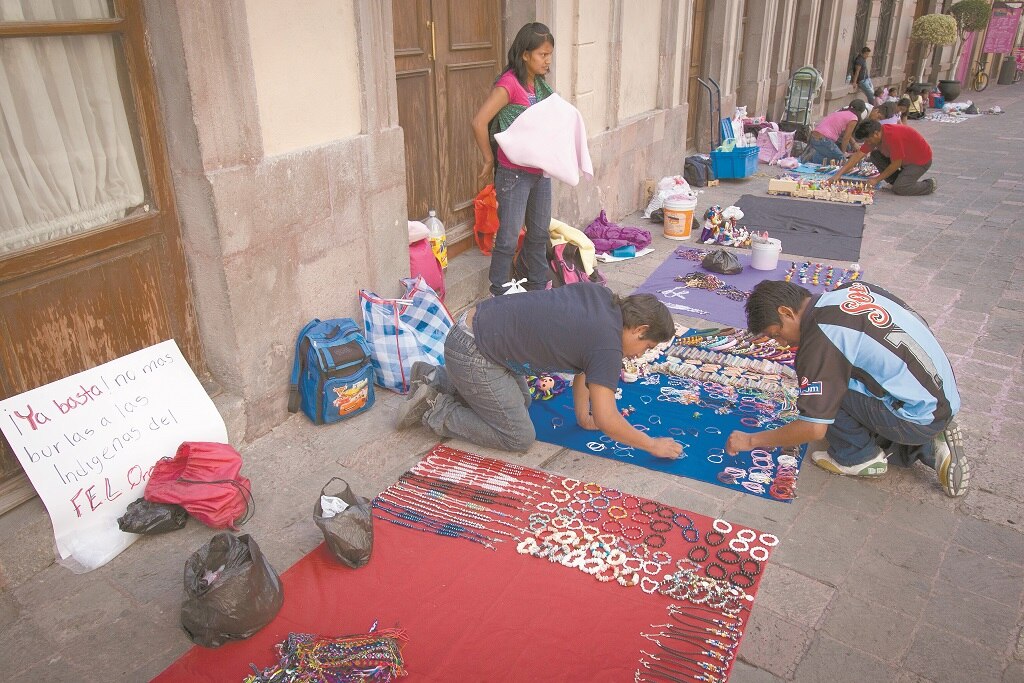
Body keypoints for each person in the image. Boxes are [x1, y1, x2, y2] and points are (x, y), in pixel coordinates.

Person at [724, 280, 969, 498]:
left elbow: (813, 428)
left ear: (786, 312)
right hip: (940, 396)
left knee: (823, 395)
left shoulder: (820, 338)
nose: (782, 343)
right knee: (840, 377)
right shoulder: (850, 290)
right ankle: (930, 448)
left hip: (919, 415)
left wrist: (751, 440)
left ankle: (858, 457)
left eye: (776, 334)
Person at [395, 284, 683, 460]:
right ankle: (433, 408)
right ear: (640, 329)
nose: (641, 353)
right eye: (646, 346)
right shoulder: (607, 346)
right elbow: (608, 419)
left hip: (472, 334)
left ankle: (434, 377)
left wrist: (583, 418)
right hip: (475, 352)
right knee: (518, 436)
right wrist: (651, 444)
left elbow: (586, 370)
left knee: (523, 402)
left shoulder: (603, 299)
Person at [471, 22, 556, 296]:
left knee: (539, 234)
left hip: (539, 172)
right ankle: (499, 289)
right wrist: (488, 159)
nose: (547, 60)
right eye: (542, 54)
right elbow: (479, 121)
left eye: (549, 54)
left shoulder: (540, 86)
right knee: (507, 238)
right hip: (513, 174)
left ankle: (537, 287)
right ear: (525, 54)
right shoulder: (509, 84)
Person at [827, 119, 936, 195]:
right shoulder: (876, 135)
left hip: (919, 161)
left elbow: (896, 164)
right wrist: (838, 174)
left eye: (868, 140)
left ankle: (929, 185)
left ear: (876, 134)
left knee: (901, 188)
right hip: (904, 160)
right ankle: (896, 180)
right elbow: (858, 155)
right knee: (875, 155)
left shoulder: (893, 136)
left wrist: (876, 179)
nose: (867, 143)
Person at [802, 99, 867, 164]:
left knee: (829, 157)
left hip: (814, 136)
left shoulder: (840, 112)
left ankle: (812, 157)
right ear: (861, 111)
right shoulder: (854, 117)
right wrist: (843, 154)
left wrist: (854, 144)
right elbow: (846, 138)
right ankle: (812, 157)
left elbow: (848, 136)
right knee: (841, 161)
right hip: (824, 139)